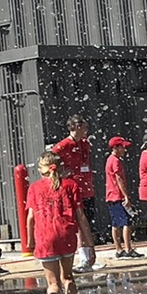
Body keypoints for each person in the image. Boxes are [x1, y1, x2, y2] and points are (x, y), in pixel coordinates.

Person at [25, 148, 88, 294]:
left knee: (53, 283)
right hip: (66, 235)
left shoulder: (34, 188)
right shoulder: (70, 185)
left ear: (41, 170)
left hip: (45, 238)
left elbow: (30, 218)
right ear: (60, 167)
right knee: (68, 278)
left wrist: (30, 241)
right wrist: (88, 240)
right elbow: (80, 215)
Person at [51, 115, 99, 272]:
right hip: (73, 191)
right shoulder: (62, 146)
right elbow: (50, 162)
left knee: (87, 223)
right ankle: (84, 258)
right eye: (84, 127)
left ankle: (88, 257)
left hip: (87, 189)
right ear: (76, 127)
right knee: (79, 225)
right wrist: (62, 174)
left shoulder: (85, 143)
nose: (86, 130)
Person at [103, 136, 137, 258]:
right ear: (115, 147)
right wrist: (126, 196)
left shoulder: (109, 160)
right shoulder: (116, 161)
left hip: (111, 195)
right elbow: (119, 179)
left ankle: (119, 249)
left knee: (115, 223)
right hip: (117, 195)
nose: (124, 150)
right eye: (122, 147)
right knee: (126, 222)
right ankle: (128, 249)